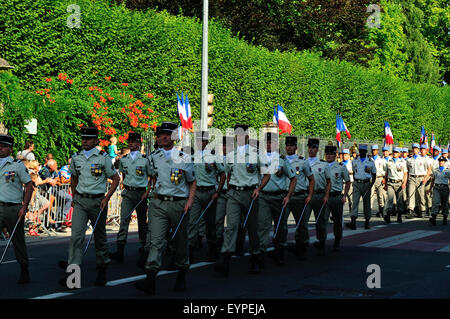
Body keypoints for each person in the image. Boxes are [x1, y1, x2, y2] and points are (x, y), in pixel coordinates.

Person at [134, 121, 196, 295]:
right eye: (160, 134)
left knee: (180, 242)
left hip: (179, 203)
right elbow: (152, 177)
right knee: (156, 241)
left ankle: (182, 272)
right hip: (158, 204)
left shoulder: (184, 157)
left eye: (167, 135)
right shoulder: (153, 157)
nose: (162, 137)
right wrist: (151, 191)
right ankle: (150, 278)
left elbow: (192, 181)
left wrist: (190, 201)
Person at [58, 126, 120, 287]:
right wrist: (74, 195)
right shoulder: (76, 157)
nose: (84, 141)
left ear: (95, 140)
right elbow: (73, 179)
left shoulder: (103, 157)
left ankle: (102, 269)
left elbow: (115, 178)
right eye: (83, 138)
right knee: (76, 238)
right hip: (80, 201)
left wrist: (107, 198)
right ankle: (73, 278)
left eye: (88, 139)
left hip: (97, 202)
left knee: (99, 237)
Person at [214, 124, 270, 276]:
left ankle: (255, 257)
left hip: (250, 194)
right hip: (234, 194)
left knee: (252, 228)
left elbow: (267, 174)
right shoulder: (230, 155)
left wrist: (258, 189)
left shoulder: (256, 153)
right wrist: (231, 188)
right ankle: (225, 259)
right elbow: (228, 174)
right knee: (231, 226)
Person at [110, 132, 152, 264]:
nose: (131, 144)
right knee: (124, 220)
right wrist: (124, 185)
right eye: (130, 142)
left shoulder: (145, 160)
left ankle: (144, 248)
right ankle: (120, 249)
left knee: (141, 222)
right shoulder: (124, 159)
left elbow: (151, 177)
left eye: (134, 142)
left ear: (139, 144)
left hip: (141, 192)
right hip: (128, 192)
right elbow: (123, 174)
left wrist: (148, 190)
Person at [257, 132, 296, 266]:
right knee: (263, 226)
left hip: (279, 197)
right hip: (263, 197)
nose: (268, 145)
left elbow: (293, 178)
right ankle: (260, 254)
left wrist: (288, 196)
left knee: (280, 226)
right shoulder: (259, 158)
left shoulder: (282, 160)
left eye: (271, 142)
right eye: (266, 142)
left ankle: (280, 250)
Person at [188, 131, 225, 263]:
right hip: (197, 192)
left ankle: (212, 248)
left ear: (206, 142)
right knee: (192, 221)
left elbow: (222, 174)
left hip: (210, 192)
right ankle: (190, 249)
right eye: (198, 141)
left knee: (211, 222)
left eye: (202, 141)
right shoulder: (192, 157)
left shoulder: (214, 157)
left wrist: (218, 191)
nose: (199, 143)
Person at [0, 134, 33, 283]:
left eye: (4, 146)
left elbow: (29, 186)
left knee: (18, 240)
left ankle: (24, 268)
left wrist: (24, 207)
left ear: (10, 149)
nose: (1, 148)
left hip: (13, 208)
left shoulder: (17, 165)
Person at [285, 136, 314, 260]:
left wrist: (309, 195)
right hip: (285, 196)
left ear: (296, 147)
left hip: (298, 196)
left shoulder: (303, 161)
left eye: (291, 145)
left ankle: (301, 247)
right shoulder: (281, 160)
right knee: (281, 223)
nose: (289, 147)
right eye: (287, 145)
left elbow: (311, 179)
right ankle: (280, 247)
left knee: (301, 224)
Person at [304, 139, 331, 256]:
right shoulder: (303, 162)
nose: (311, 149)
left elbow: (329, 182)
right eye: (309, 147)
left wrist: (326, 196)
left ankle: (321, 241)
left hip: (319, 194)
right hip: (306, 195)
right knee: (303, 221)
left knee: (320, 221)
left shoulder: (323, 164)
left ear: (317, 149)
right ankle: (303, 243)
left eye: (313, 147)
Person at [324, 145, 350, 252]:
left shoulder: (341, 167)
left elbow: (348, 181)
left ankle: (337, 240)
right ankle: (322, 241)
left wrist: (344, 195)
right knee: (322, 220)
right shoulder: (321, 165)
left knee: (337, 221)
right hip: (324, 197)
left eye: (331, 154)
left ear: (335, 155)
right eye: (327, 154)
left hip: (336, 196)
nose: (329, 156)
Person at [346, 144, 376, 230]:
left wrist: (371, 185)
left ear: (366, 152)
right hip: (357, 183)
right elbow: (354, 173)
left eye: (363, 151)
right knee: (355, 201)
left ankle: (367, 221)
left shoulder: (370, 161)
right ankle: (353, 220)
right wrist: (355, 181)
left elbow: (374, 174)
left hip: (366, 184)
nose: (362, 152)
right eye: (361, 151)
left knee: (366, 203)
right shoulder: (355, 161)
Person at [406, 143, 431, 219]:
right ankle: (411, 210)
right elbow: (407, 170)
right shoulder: (409, 160)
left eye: (416, 149)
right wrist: (407, 179)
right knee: (411, 194)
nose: (414, 150)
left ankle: (422, 209)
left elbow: (429, 170)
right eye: (413, 148)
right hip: (412, 178)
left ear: (418, 150)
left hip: (420, 178)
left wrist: (425, 178)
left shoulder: (423, 159)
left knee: (421, 195)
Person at [383, 147, 408, 223]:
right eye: (394, 152)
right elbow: (386, 173)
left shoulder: (403, 162)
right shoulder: (389, 162)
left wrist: (404, 183)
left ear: (399, 153)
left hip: (399, 183)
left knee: (399, 200)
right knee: (390, 199)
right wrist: (385, 183)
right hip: (390, 183)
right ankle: (388, 215)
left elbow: (405, 174)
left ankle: (399, 215)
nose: (395, 154)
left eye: (396, 152)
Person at [428, 157, 449, 226]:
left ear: (445, 162)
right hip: (436, 187)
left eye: (442, 161)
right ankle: (433, 217)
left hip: (445, 188)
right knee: (435, 202)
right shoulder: (435, 170)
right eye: (440, 161)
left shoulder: (447, 171)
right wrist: (430, 188)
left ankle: (445, 218)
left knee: (444, 203)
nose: (441, 162)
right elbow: (432, 180)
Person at [370, 145, 387, 218]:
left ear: (377, 151)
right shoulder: (369, 160)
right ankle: (369, 209)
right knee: (371, 195)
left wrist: (384, 178)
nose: (374, 151)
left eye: (375, 150)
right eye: (373, 150)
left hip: (379, 178)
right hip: (371, 178)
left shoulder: (382, 160)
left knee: (380, 195)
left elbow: (386, 170)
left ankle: (381, 209)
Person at [341, 149, 353, 213]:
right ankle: (339, 213)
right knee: (341, 199)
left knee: (351, 199)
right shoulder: (340, 164)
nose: (344, 156)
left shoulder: (352, 163)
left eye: (345, 155)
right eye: (343, 155)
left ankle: (352, 214)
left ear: (348, 156)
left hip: (350, 183)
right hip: (342, 183)